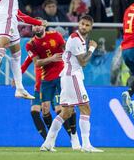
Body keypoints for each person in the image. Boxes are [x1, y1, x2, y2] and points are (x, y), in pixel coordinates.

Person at [40, 15, 103, 152]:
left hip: (67, 77)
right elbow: (83, 62)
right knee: (86, 108)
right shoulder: (75, 39)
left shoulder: (80, 39)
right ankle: (86, 145)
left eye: (87, 25)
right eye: (82, 24)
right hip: (72, 76)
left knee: (66, 112)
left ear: (91, 27)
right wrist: (92, 49)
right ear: (78, 24)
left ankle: (48, 143)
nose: (84, 26)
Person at [25, 22, 80, 150]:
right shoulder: (31, 44)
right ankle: (50, 140)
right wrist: (52, 58)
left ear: (44, 26)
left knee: (67, 107)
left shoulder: (56, 35)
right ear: (32, 28)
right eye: (34, 25)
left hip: (62, 76)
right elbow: (37, 63)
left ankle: (74, 136)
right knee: (45, 109)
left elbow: (67, 49)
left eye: (39, 24)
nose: (37, 27)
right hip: (46, 79)